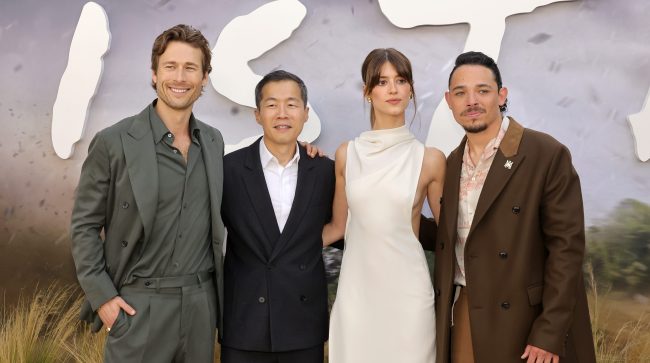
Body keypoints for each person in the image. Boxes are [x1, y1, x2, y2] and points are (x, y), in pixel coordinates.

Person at [70, 24, 225, 362]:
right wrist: (104, 299)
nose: (180, 77)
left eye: (190, 68)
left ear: (204, 78)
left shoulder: (213, 142)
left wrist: (298, 151)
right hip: (139, 307)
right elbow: (84, 226)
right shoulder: (114, 142)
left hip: (201, 306)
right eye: (170, 66)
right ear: (154, 74)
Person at [434, 51, 596, 363]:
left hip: (528, 321)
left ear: (501, 95)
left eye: (483, 90)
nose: (472, 101)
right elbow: (452, 234)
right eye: (460, 93)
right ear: (448, 101)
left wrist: (549, 331)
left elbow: (567, 249)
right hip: (467, 310)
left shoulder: (545, 153)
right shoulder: (451, 163)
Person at [323, 48, 446, 363]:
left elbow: (450, 234)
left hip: (409, 297)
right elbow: (337, 228)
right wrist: (275, 248)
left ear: (410, 90)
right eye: (382, 82)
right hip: (357, 296)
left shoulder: (430, 159)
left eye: (401, 80)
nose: (393, 89)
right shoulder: (346, 155)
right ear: (367, 92)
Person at [219, 70, 335, 363]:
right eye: (271, 105)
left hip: (303, 323)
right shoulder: (227, 169)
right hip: (244, 321)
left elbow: (342, 229)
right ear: (257, 114)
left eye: (292, 104)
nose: (282, 113)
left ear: (306, 113)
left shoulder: (324, 171)